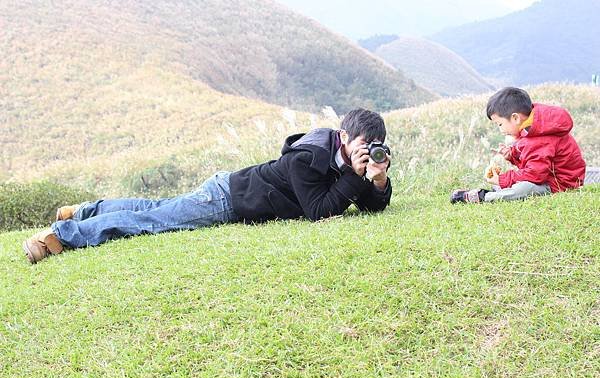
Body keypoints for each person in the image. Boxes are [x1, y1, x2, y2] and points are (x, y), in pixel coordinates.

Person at [23, 109, 392, 263]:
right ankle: (61, 235)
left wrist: (378, 182)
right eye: (362, 143)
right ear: (344, 134)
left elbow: (366, 205)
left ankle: (86, 209)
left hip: (230, 190)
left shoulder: (347, 163)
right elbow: (319, 211)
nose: (367, 151)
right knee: (155, 221)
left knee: (155, 208)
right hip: (229, 198)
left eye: (373, 146)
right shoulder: (309, 156)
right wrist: (354, 178)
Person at [451, 87, 586, 203]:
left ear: (515, 118)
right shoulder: (535, 127)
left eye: (500, 124)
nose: (501, 129)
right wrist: (512, 155)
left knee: (524, 188)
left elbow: (534, 175)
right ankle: (499, 192)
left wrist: (502, 180)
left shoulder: (539, 138)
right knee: (520, 183)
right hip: (550, 177)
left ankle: (484, 197)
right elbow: (534, 160)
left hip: (561, 184)